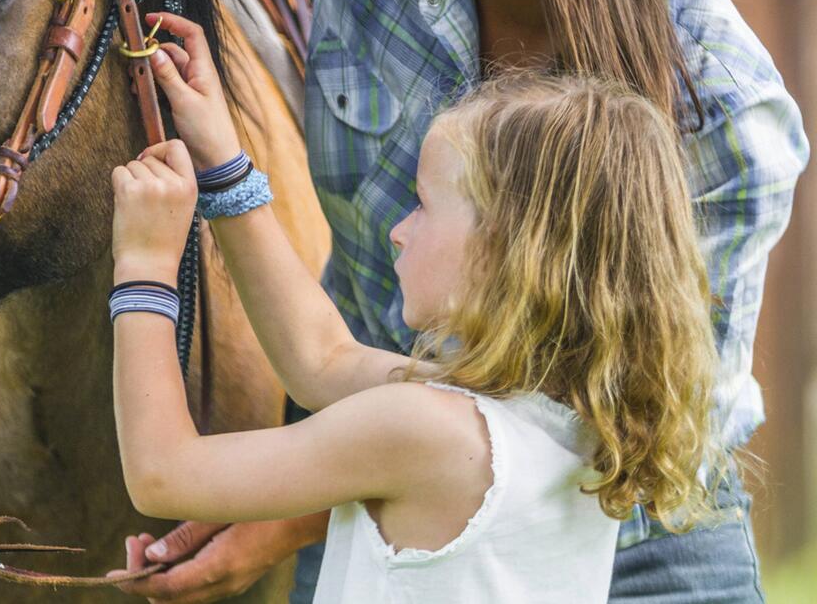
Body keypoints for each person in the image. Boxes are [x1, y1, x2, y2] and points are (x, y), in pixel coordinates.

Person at [80, 0, 809, 601]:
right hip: (384, 452)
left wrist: (308, 495)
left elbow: (649, 425)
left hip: (642, 520)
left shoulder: (726, 113)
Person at [107, 64, 726, 603]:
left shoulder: (431, 432)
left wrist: (145, 265)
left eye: (424, 204)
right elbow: (321, 358)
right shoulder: (565, 423)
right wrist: (222, 161)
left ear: (507, 249)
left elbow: (164, 473)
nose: (399, 230)